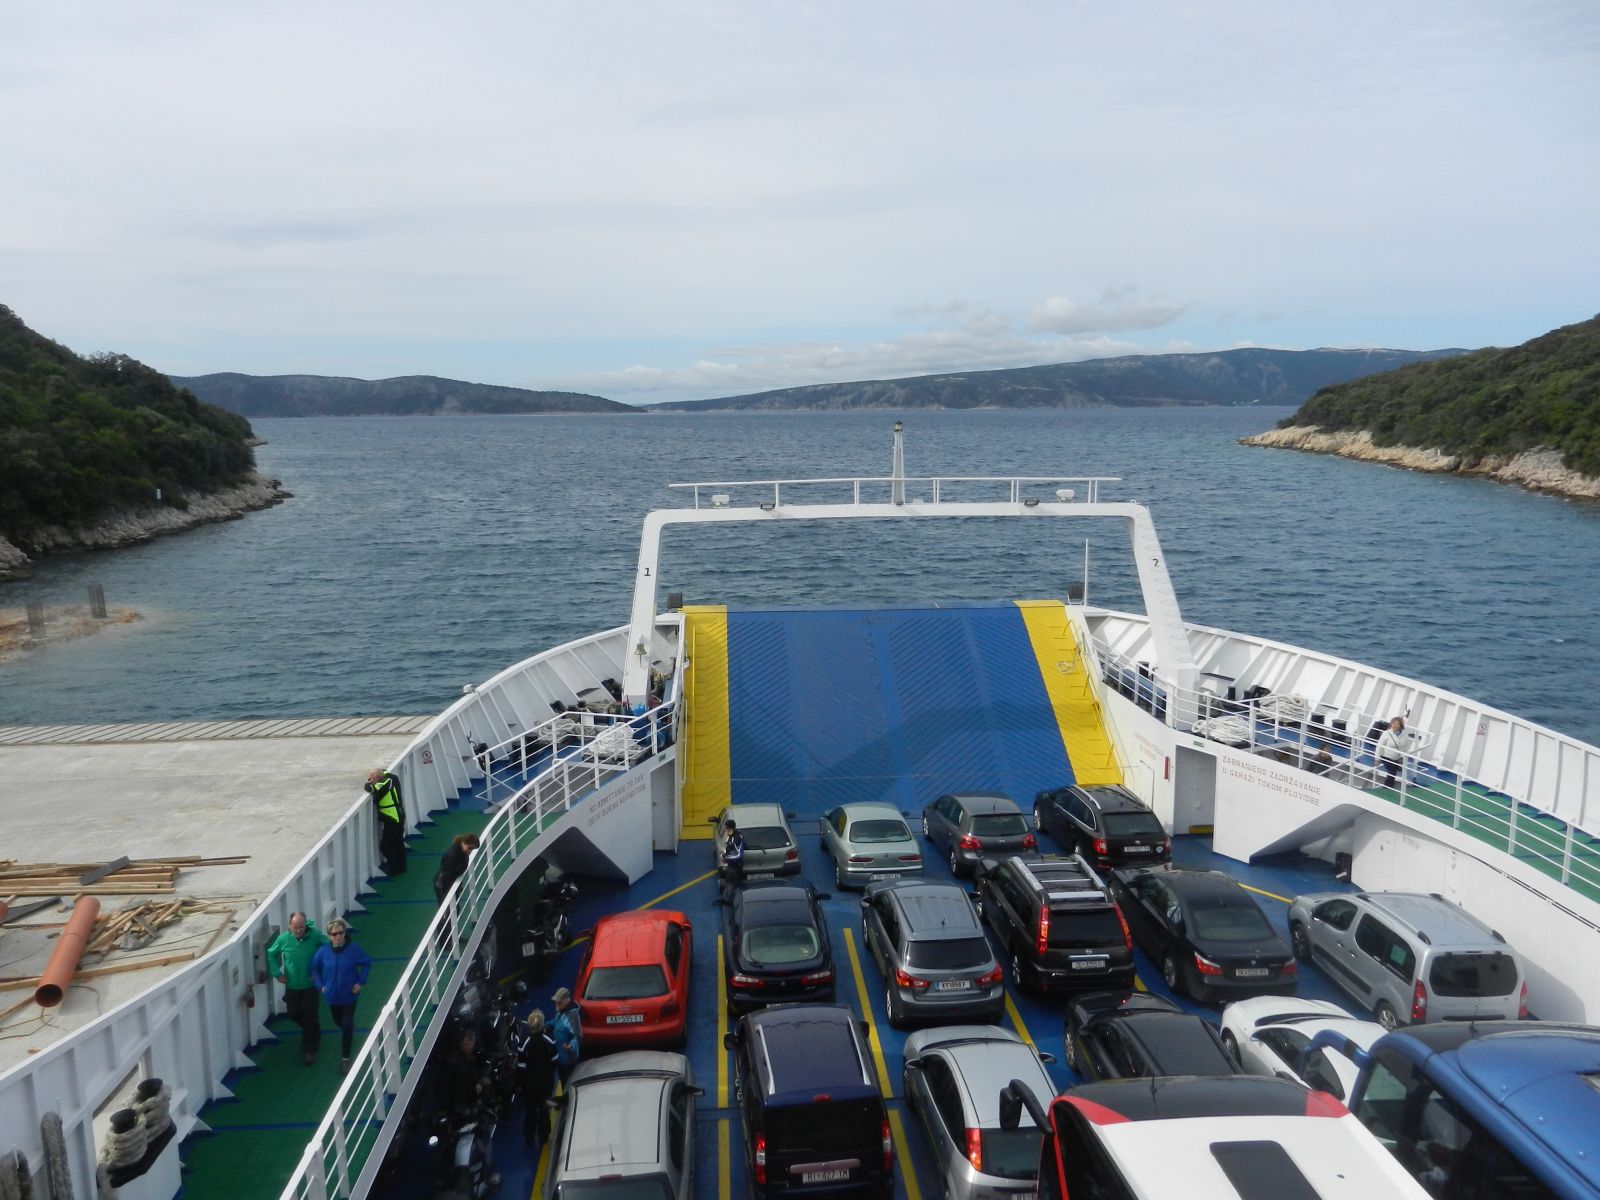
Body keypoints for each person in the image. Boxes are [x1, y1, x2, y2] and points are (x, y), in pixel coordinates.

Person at [310, 917, 372, 1074]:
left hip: (350, 995)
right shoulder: (323, 951)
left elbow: (366, 963)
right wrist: (320, 985)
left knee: (346, 1024)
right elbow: (314, 968)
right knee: (339, 1022)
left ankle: (345, 1059)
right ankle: (348, 1030)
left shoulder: (353, 949)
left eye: (341, 933)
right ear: (329, 935)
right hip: (332, 996)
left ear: (345, 933)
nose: (338, 936)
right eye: (334, 934)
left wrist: (360, 982)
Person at [266, 912, 329, 1065]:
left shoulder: (315, 936)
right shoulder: (283, 939)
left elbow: (329, 950)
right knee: (293, 1013)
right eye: (295, 927)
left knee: (310, 1015)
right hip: (292, 985)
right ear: (290, 926)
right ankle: (312, 1030)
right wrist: (277, 973)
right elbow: (271, 954)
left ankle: (309, 1051)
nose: (299, 930)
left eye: (301, 927)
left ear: (305, 925)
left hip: (310, 986)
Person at [513, 1009, 557, 1150]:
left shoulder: (524, 1044)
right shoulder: (549, 1040)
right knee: (544, 1110)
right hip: (546, 1084)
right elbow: (554, 1060)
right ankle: (544, 1137)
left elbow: (521, 1067)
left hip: (530, 1086)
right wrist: (549, 1073)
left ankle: (529, 1138)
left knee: (530, 1111)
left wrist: (519, 1085)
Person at [365, 767, 407, 876]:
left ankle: (395, 868)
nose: (370, 779)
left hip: (392, 817)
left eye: (372, 777)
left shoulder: (385, 783)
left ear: (377, 778)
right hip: (398, 815)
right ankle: (402, 866)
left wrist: (368, 783)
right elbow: (384, 771)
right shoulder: (391, 779)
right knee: (398, 842)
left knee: (385, 846)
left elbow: (370, 788)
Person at [434, 833, 481, 904]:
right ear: (464, 843)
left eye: (472, 849)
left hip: (448, 880)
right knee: (449, 907)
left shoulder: (461, 851)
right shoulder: (452, 855)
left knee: (454, 906)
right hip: (443, 884)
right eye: (470, 848)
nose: (470, 851)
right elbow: (447, 873)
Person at [550, 986, 582, 1089]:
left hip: (568, 1059)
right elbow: (556, 1022)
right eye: (555, 1002)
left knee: (568, 1085)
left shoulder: (573, 1016)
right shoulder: (560, 1010)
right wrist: (545, 1025)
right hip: (561, 1057)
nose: (556, 1005)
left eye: (559, 1002)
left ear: (567, 1000)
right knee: (562, 1081)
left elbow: (578, 1037)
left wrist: (571, 1046)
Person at [1376, 716, 1407, 787]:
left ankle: (1389, 786)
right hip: (1386, 756)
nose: (1394, 725)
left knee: (1395, 771)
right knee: (1392, 772)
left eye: (1397, 724)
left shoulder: (1404, 734)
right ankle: (1387, 787)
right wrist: (1377, 758)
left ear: (1401, 725)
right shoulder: (1386, 733)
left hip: (1397, 758)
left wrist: (1402, 757)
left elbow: (1405, 746)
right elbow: (1379, 746)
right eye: (1393, 723)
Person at [719, 818, 746, 891]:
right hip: (730, 866)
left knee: (735, 887)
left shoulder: (737, 838)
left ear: (730, 828)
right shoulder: (729, 836)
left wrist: (726, 858)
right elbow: (729, 848)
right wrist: (724, 852)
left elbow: (739, 854)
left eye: (726, 827)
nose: (725, 829)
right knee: (729, 885)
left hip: (735, 867)